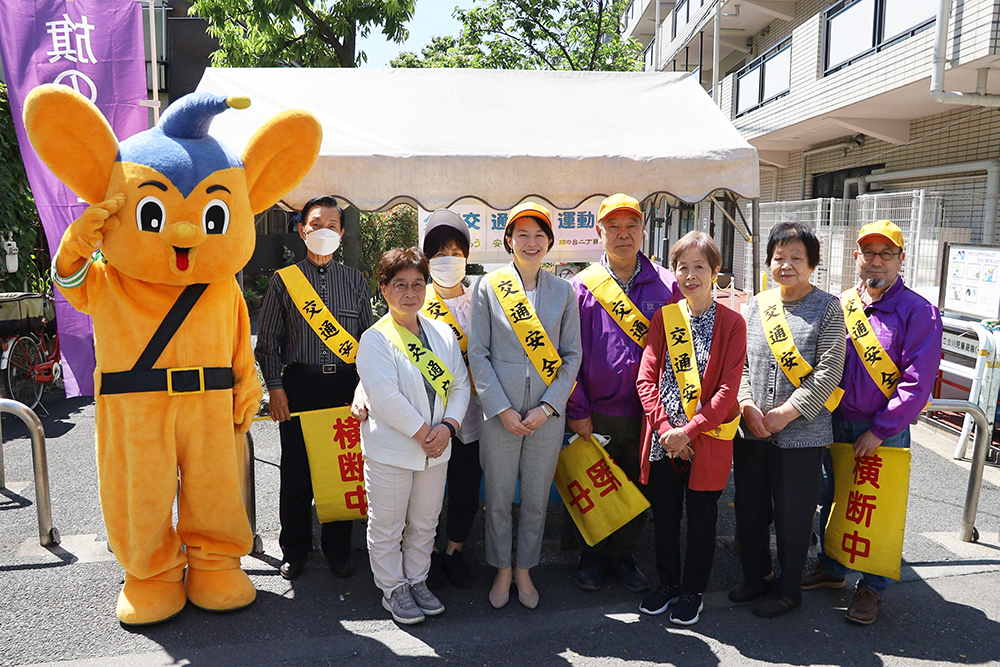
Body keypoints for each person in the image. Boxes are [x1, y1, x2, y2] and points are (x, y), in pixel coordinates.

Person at [801, 220, 942, 625]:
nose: (875, 261)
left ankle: (872, 587)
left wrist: (880, 430)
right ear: (857, 258)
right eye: (868, 253)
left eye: (886, 254)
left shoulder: (918, 311)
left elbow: (917, 382)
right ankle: (832, 567)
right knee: (832, 497)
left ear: (901, 259)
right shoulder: (841, 303)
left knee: (876, 508)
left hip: (883, 430)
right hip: (834, 422)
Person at [352, 209, 484, 590]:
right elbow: (381, 384)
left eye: (457, 251)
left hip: (456, 427)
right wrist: (427, 431)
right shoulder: (390, 327)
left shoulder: (467, 310)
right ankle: (396, 588)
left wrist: (447, 427)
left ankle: (432, 570)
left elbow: (460, 381)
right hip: (407, 437)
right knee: (392, 519)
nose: (410, 292)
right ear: (386, 288)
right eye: (400, 285)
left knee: (439, 510)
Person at [468, 201, 582, 610]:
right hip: (500, 415)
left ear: (549, 242)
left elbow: (572, 357)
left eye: (539, 235)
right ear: (509, 241)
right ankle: (501, 569)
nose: (530, 243)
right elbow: (478, 354)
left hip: (545, 417)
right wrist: (500, 407)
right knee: (498, 497)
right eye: (522, 235)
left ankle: (524, 570)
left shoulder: (564, 291)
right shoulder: (487, 285)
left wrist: (548, 407)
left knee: (535, 497)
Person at [567, 193, 682, 593]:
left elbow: (684, 349)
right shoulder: (580, 287)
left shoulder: (668, 285)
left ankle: (623, 554)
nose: (623, 234)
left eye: (631, 225)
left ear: (643, 231)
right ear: (599, 233)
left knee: (637, 484)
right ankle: (591, 554)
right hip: (597, 409)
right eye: (613, 227)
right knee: (596, 482)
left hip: (651, 412)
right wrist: (577, 407)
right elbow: (569, 354)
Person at [731, 221, 846, 618]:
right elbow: (740, 365)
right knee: (749, 507)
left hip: (802, 433)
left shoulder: (829, 307)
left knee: (794, 515)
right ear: (768, 262)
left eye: (797, 257)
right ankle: (756, 576)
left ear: (812, 263)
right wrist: (747, 405)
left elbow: (830, 370)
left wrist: (785, 413)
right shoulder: (756, 305)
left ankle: (788, 588)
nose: (786, 265)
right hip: (751, 430)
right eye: (779, 257)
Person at [255, 196, 372, 581]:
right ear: (302, 229)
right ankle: (295, 549)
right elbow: (268, 340)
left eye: (332, 225)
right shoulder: (283, 281)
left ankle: (338, 549)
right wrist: (275, 388)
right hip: (299, 385)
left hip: (344, 385)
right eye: (316, 224)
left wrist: (363, 389)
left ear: (342, 232)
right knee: (296, 472)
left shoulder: (355, 281)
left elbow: (367, 342)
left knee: (340, 469)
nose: (324, 231)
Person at [635, 231, 746, 625]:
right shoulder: (664, 318)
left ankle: (693, 591)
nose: (691, 274)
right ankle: (667, 584)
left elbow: (729, 389)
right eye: (683, 266)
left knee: (702, 517)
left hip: (707, 440)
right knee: (665, 515)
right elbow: (645, 380)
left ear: (716, 272)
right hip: (664, 439)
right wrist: (667, 429)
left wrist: (690, 431)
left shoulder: (733, 323)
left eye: (700, 266)